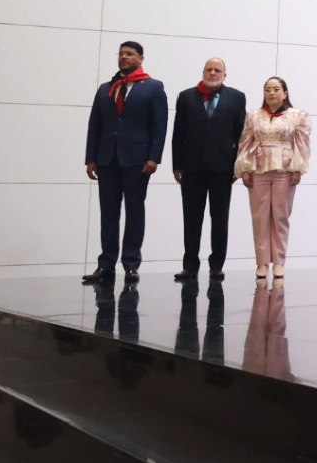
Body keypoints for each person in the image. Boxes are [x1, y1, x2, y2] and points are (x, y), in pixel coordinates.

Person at [83, 41, 167, 284]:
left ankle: (131, 264)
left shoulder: (152, 87)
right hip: (107, 159)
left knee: (134, 211)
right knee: (108, 213)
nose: (124, 57)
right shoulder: (105, 89)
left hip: (137, 161)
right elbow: (94, 126)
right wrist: (91, 158)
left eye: (129, 54)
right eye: (120, 54)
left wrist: (154, 157)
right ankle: (106, 264)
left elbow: (159, 126)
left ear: (141, 58)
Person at [171, 57, 248, 283]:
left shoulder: (236, 97)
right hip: (192, 168)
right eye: (209, 69)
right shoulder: (186, 97)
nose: (212, 73)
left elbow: (241, 136)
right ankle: (190, 265)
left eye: (217, 70)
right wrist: (177, 165)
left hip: (222, 169)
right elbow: (178, 135)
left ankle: (216, 266)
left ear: (225, 75)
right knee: (191, 218)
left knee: (220, 218)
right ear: (202, 71)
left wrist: (238, 166)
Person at [235, 77, 311, 282]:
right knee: (259, 217)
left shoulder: (297, 116)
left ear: (285, 93)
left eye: (276, 89)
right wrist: (245, 169)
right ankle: (261, 262)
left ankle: (279, 262)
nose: (271, 93)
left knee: (280, 216)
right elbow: (246, 143)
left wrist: (298, 169)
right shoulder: (253, 116)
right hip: (259, 169)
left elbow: (302, 144)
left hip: (284, 170)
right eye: (267, 90)